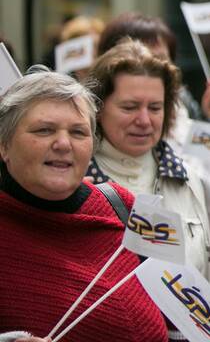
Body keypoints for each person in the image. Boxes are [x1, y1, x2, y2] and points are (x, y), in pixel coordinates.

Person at [82, 41, 210, 332]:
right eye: (129, 107)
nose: (144, 120)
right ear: (97, 108)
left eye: (155, 107)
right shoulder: (77, 184)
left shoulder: (190, 177)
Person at [0, 71, 168, 341]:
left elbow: (185, 315)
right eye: (44, 130)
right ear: (4, 145)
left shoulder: (124, 205)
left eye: (78, 132)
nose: (63, 144)